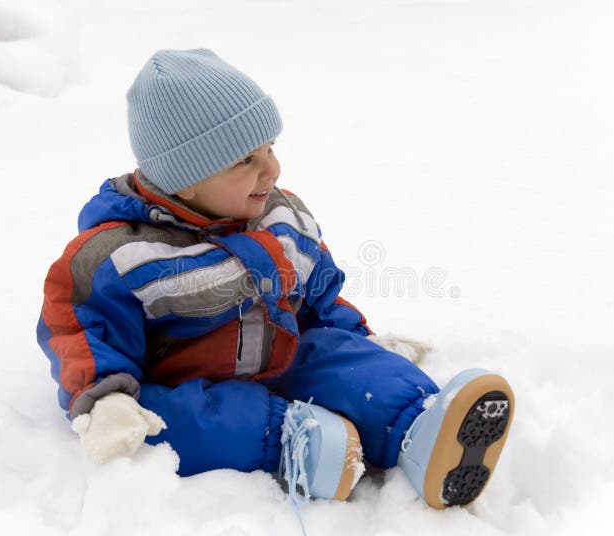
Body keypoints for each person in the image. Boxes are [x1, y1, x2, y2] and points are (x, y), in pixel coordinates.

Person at [37, 49, 514, 515]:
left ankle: (421, 430)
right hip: (191, 387)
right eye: (246, 159)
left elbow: (319, 295)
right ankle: (295, 446)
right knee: (175, 423)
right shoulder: (121, 255)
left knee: (341, 359)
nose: (272, 169)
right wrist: (105, 396)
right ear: (186, 179)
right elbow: (79, 330)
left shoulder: (280, 215)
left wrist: (359, 344)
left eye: (271, 149)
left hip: (283, 355)